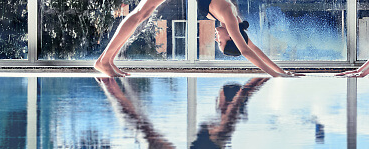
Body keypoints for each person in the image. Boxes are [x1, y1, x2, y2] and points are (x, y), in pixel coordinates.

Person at [96, 77, 269, 149]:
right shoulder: (226, 124)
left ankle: (109, 84)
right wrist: (270, 73)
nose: (217, 99)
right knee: (144, 128)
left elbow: (245, 91)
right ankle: (111, 85)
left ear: (230, 101)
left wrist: (271, 72)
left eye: (220, 95)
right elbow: (246, 93)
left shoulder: (227, 124)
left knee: (144, 128)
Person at [93, 0, 300, 77]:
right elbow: (246, 50)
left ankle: (107, 60)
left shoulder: (234, 21)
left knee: (142, 13)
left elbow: (252, 46)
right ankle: (104, 61)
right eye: (221, 42)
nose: (217, 38)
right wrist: (276, 76)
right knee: (141, 13)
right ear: (231, 37)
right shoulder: (229, 15)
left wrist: (281, 70)